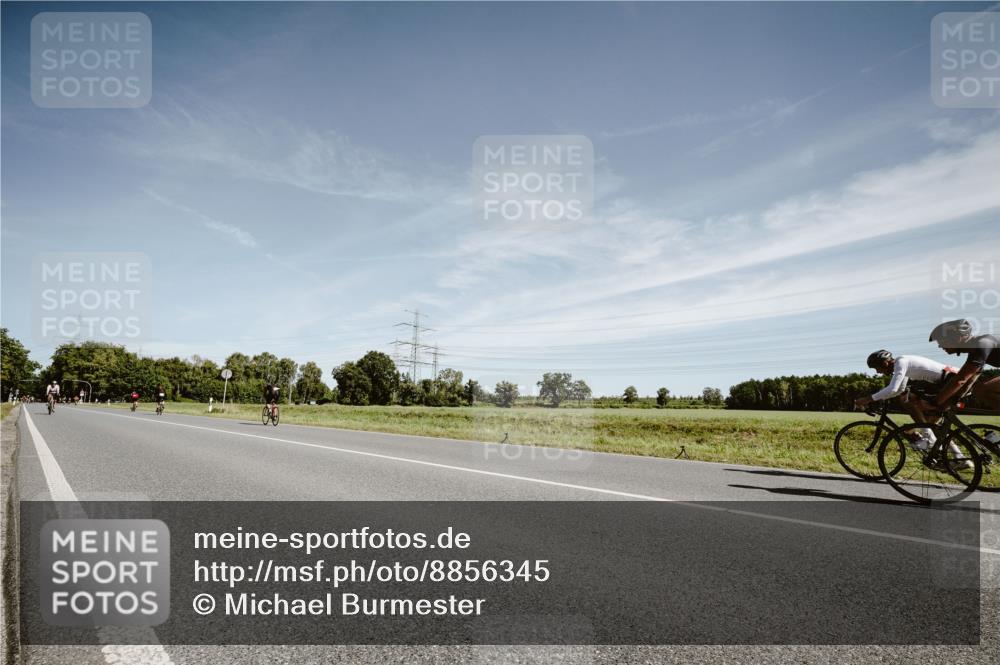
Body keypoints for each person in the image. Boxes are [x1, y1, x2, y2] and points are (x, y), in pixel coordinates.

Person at [855, 350, 956, 449]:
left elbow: (893, 388)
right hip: (947, 381)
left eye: (877, 368)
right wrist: (877, 398)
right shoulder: (903, 364)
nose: (878, 372)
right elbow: (899, 390)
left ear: (885, 363)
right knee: (931, 422)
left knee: (910, 401)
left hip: (950, 380)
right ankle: (958, 457)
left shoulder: (901, 362)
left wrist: (868, 399)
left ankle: (929, 439)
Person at [926, 319, 1000, 414]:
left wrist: (934, 403)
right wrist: (947, 403)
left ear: (958, 338)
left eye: (942, 341)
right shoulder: (975, 350)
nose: (940, 346)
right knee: (979, 390)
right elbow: (969, 381)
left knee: (983, 391)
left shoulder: (982, 344)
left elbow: (960, 380)